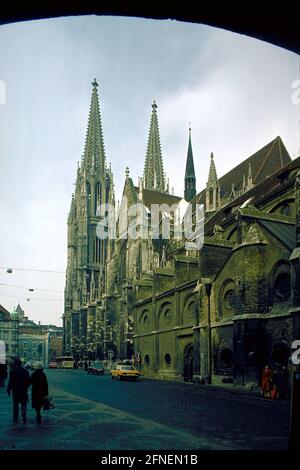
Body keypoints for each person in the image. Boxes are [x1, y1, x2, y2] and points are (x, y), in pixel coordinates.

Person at [7, 358, 30, 424]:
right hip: (23, 390)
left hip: (15, 391)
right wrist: (26, 387)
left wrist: (8, 390)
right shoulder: (25, 371)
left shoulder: (12, 371)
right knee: (23, 403)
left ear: (15, 364)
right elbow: (28, 381)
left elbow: (10, 382)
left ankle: (15, 418)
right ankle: (24, 416)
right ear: (21, 363)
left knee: (15, 404)